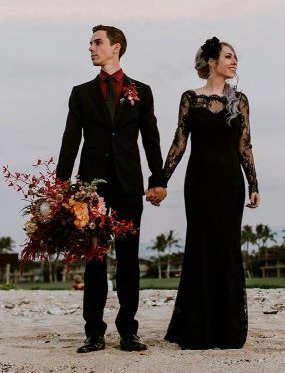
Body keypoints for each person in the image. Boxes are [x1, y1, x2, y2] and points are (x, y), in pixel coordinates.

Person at [56, 25, 167, 353]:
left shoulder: (141, 91)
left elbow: (151, 138)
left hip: (129, 186)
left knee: (130, 260)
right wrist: (62, 184)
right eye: (91, 43)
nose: (91, 48)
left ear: (115, 47)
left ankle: (128, 331)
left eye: (97, 42)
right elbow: (70, 139)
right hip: (92, 190)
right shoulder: (80, 93)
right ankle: (94, 332)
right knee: (94, 259)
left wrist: (157, 180)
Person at [163, 37, 260, 350]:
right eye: (229, 56)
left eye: (235, 58)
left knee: (228, 246)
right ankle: (197, 329)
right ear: (212, 61)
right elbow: (179, 141)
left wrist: (254, 184)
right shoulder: (190, 98)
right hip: (199, 183)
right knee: (200, 246)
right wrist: (161, 179)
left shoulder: (239, 100)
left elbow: (244, 144)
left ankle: (228, 330)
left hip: (231, 182)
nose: (234, 62)